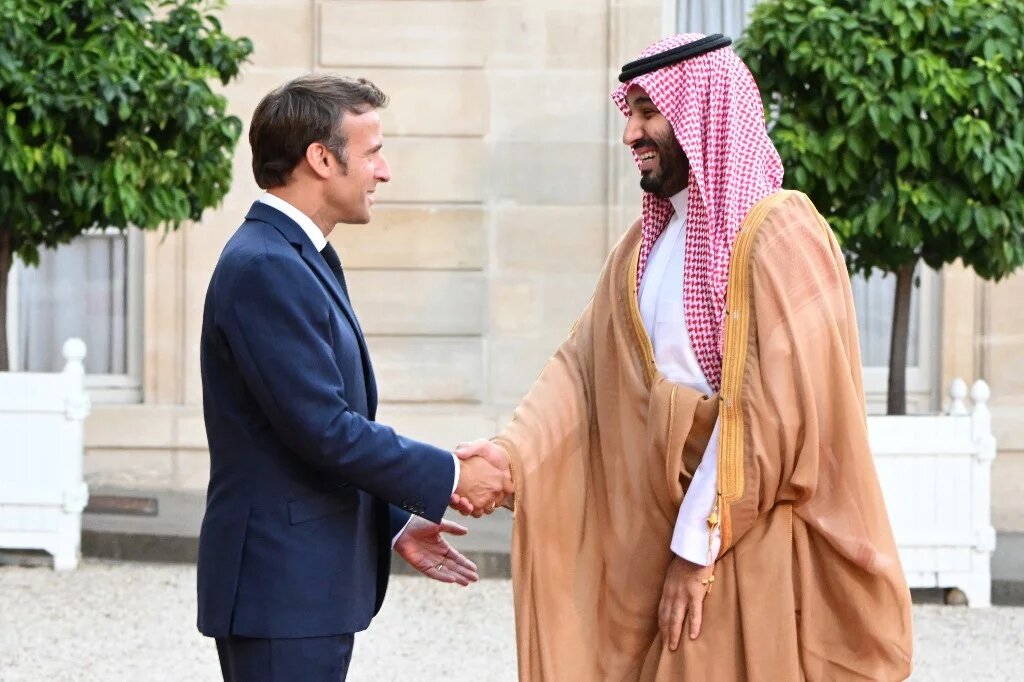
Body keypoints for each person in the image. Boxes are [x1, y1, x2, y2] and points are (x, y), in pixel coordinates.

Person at [453, 34, 913, 680]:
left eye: (648, 112)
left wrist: (697, 550)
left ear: (702, 112)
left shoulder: (779, 233)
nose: (631, 134)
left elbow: (768, 413)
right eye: (629, 113)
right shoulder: (643, 244)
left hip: (746, 544)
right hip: (659, 531)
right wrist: (508, 457)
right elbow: (582, 374)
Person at [196, 74, 512, 681]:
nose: (384, 171)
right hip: (280, 591)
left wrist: (393, 523)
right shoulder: (266, 264)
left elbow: (302, 433)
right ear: (321, 159)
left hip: (299, 588)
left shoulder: (294, 255)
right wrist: (451, 474)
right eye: (372, 153)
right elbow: (323, 429)